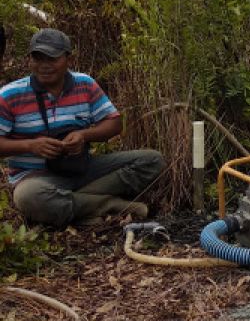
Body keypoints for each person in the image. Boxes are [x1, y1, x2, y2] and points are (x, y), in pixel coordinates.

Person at [0, 28, 164, 227]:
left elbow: (114, 123)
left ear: (68, 59)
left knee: (153, 161)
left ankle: (76, 202)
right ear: (30, 60)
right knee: (29, 197)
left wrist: (83, 135)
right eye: (37, 58)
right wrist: (31, 146)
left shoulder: (84, 84)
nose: (44, 66)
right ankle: (110, 205)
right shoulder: (10, 95)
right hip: (37, 179)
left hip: (82, 169)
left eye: (52, 58)